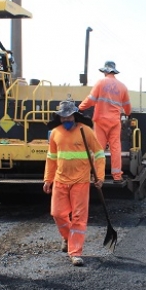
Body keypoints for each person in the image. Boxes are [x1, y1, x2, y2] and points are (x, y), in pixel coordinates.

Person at [43, 100, 105, 266]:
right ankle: (67, 237)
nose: (65, 120)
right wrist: (47, 179)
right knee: (57, 214)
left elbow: (99, 154)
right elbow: (51, 158)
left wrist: (99, 177)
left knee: (78, 217)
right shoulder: (55, 133)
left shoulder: (86, 132)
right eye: (62, 117)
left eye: (68, 116)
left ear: (75, 115)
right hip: (60, 180)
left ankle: (75, 252)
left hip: (81, 182)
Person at [78, 60, 132, 183]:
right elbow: (128, 107)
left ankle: (97, 177)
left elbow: (90, 100)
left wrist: (80, 108)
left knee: (98, 149)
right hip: (114, 122)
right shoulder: (122, 87)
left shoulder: (100, 83)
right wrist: (128, 113)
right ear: (114, 71)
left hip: (100, 121)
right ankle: (117, 176)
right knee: (115, 148)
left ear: (105, 71)